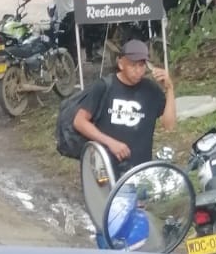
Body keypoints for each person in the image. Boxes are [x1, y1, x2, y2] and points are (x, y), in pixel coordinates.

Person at [72, 39, 177, 178]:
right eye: (133, 65)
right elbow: (79, 121)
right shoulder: (104, 87)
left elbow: (169, 125)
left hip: (140, 171)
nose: (138, 70)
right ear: (121, 64)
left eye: (141, 65)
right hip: (106, 170)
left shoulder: (151, 90)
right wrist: (110, 143)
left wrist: (169, 89)